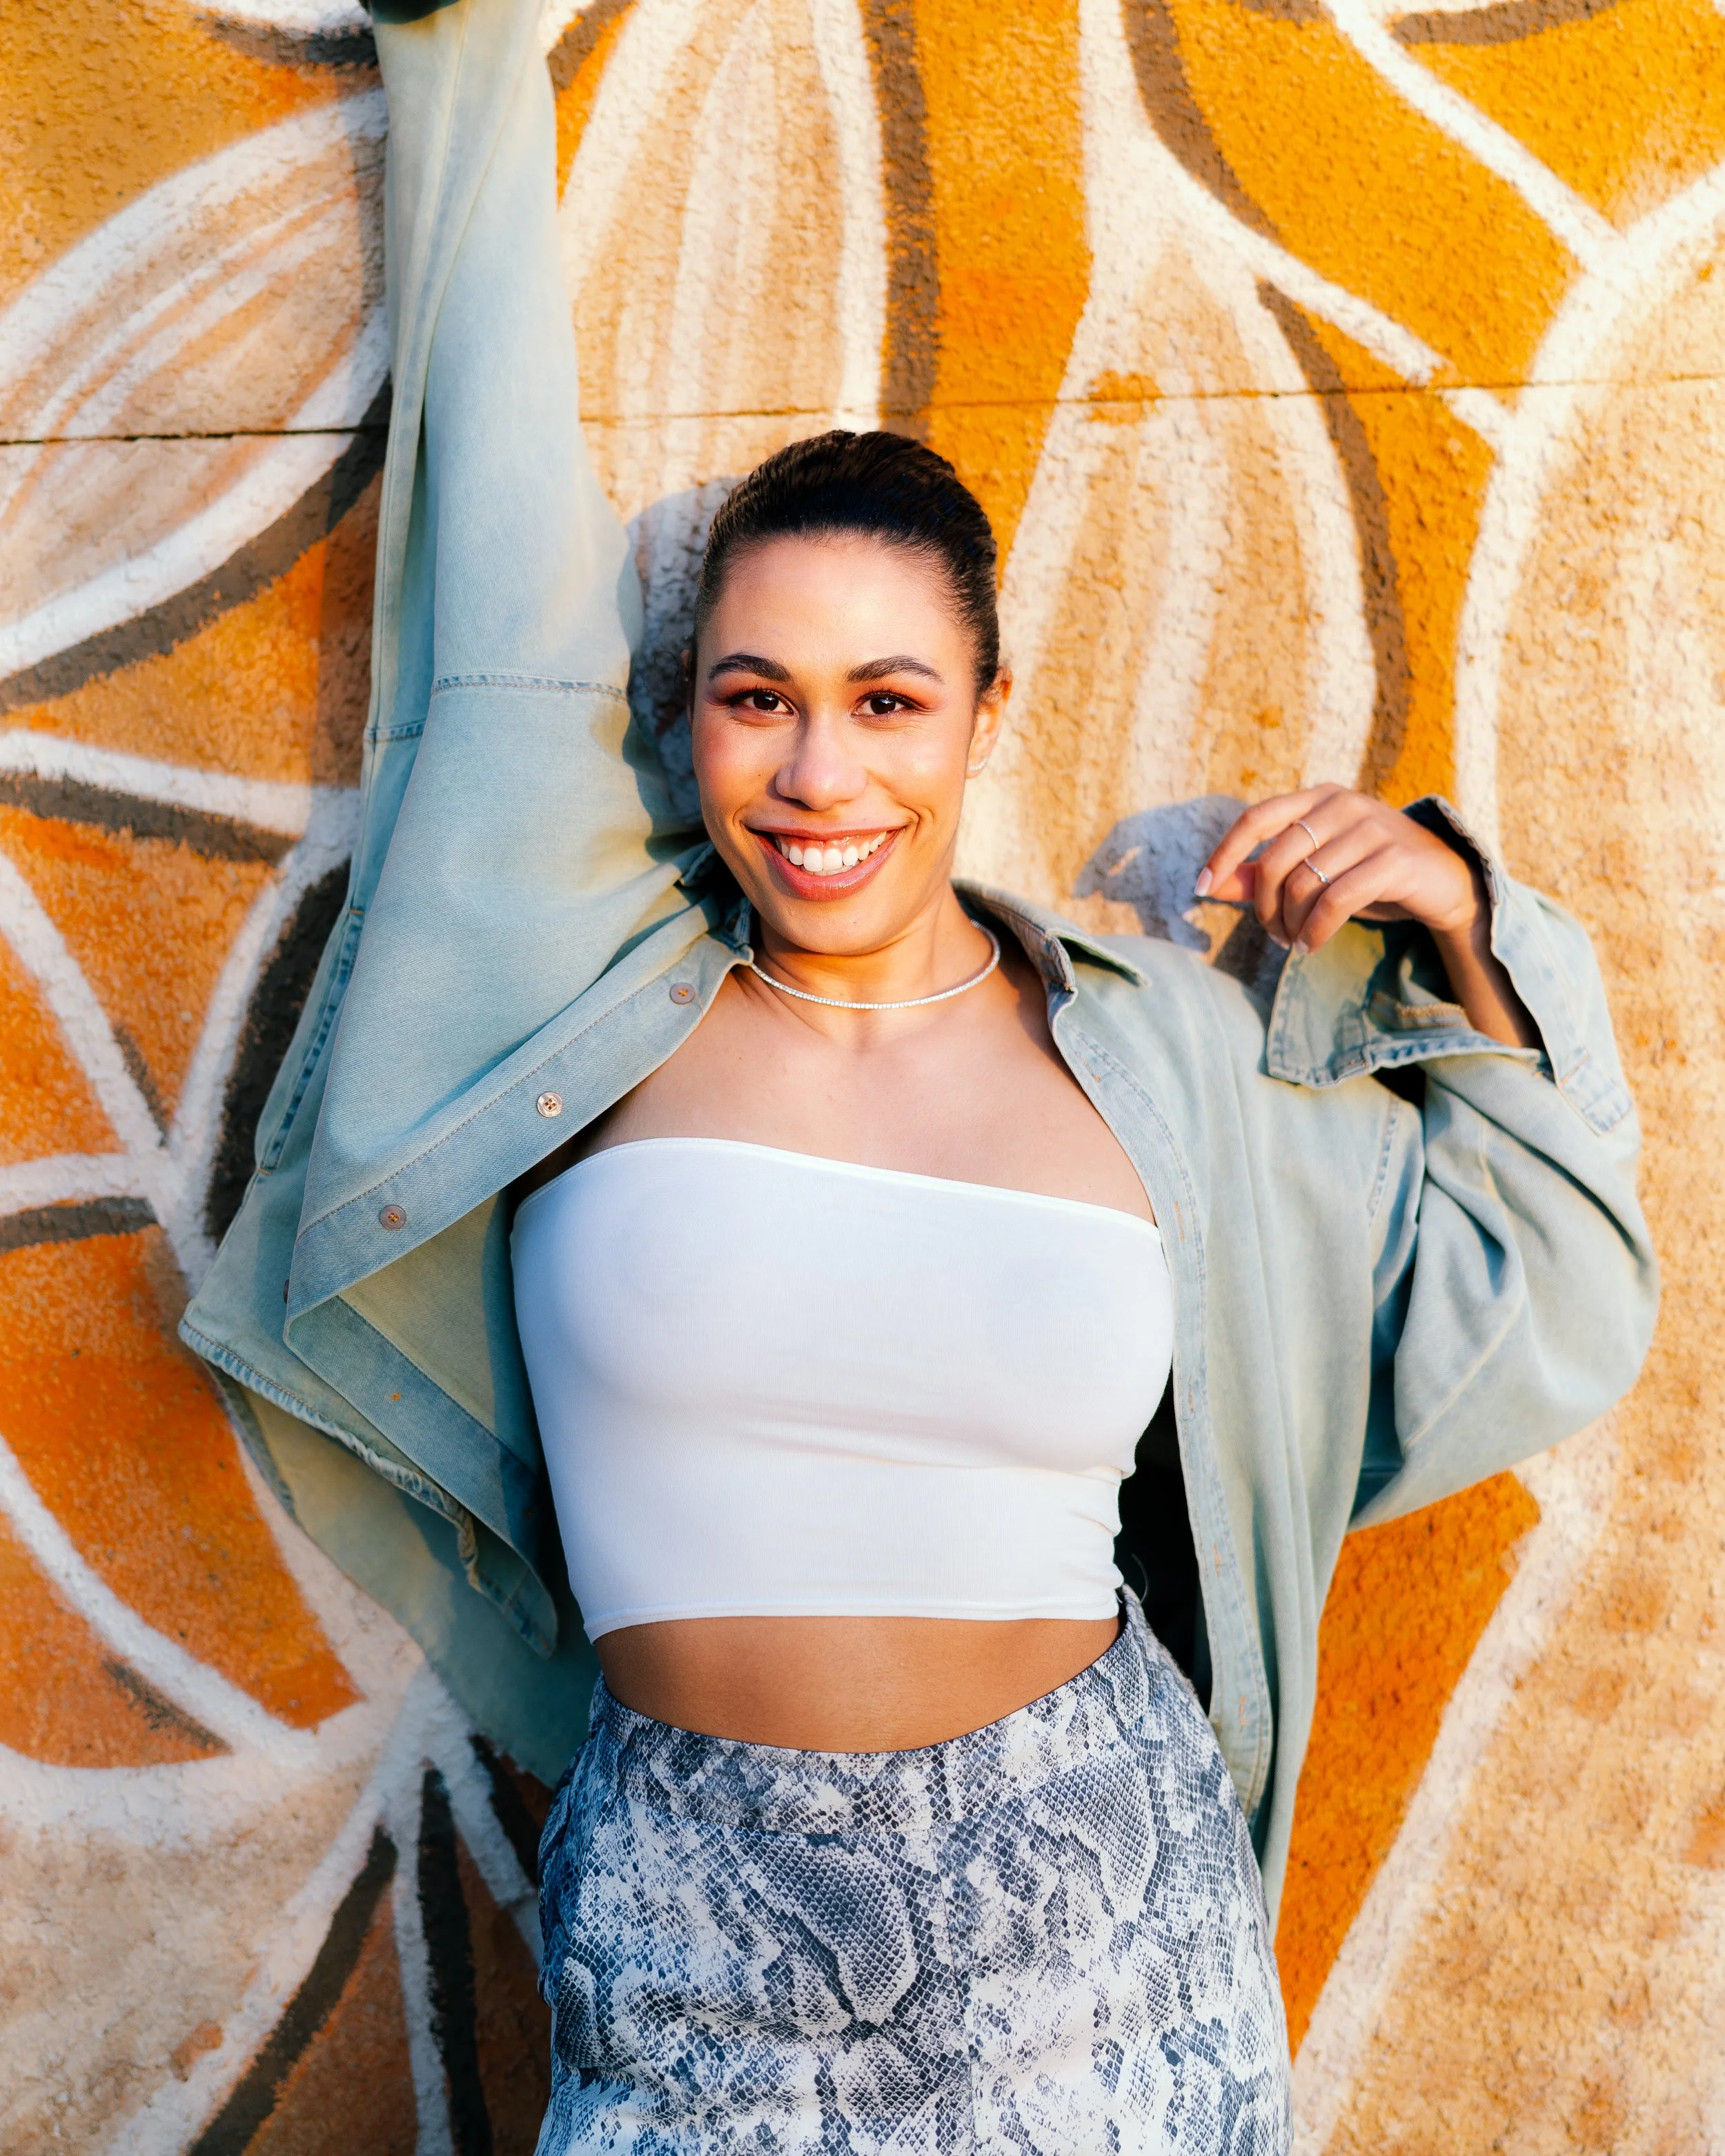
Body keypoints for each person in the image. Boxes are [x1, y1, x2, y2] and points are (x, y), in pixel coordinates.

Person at [181, 2, 1658, 2150]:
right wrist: (460, 66)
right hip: (696, 1950)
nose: (817, 771)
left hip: (1102, 1940)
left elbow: (1542, 1284)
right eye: (752, 696)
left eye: (888, 699)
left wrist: (1459, 913)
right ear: (684, 718)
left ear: (978, 710)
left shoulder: (1159, 1062)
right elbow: (489, 559)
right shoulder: (590, 1008)